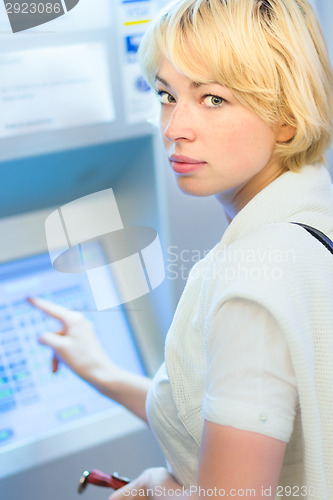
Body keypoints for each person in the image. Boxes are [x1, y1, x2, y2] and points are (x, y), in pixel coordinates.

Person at [29, 0, 333, 498]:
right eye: (167, 95)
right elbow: (220, 418)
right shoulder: (306, 227)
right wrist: (101, 370)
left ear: (287, 119)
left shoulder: (254, 277)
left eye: (212, 98)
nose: (173, 128)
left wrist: (157, 488)